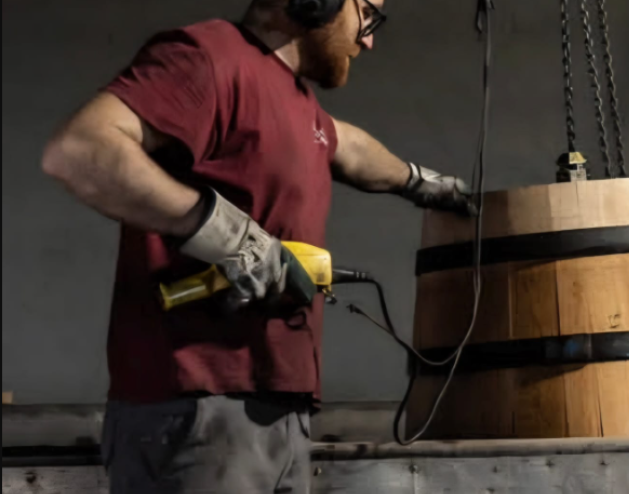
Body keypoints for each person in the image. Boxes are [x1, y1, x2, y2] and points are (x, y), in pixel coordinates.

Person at [41, 0, 475, 492]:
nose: (369, 39)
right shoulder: (207, 58)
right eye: (368, 15)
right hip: (200, 409)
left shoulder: (296, 100)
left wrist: (422, 183)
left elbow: (346, 146)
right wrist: (229, 237)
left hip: (277, 409)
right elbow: (79, 150)